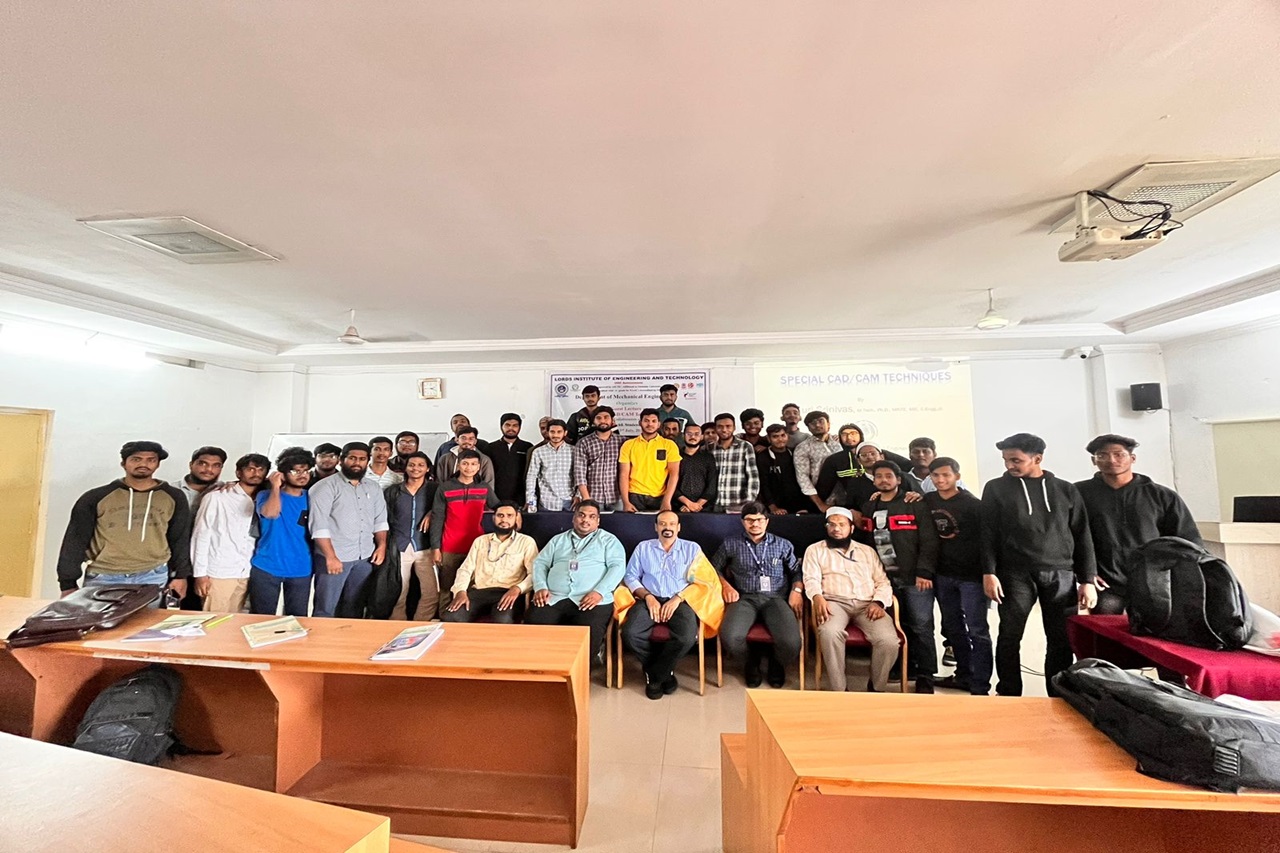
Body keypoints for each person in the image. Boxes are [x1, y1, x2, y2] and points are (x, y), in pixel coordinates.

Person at [981, 433, 1097, 697]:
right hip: (1014, 574)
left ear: (1038, 458)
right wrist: (989, 572)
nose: (1009, 465)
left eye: (1016, 460)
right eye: (1005, 460)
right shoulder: (995, 488)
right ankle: (1008, 693)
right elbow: (987, 533)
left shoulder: (1066, 489)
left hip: (1061, 574)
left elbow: (1082, 534)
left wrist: (1087, 579)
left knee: (1060, 639)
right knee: (1010, 635)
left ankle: (1058, 694)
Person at [1075, 434, 1201, 615]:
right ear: (1094, 461)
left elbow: (1185, 539)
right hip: (1106, 583)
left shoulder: (1161, 495)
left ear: (1132, 458)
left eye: (1119, 454)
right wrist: (1086, 575)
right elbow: (1069, 537)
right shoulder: (1079, 494)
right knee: (1106, 630)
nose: (1111, 460)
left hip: (1153, 582)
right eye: (1102, 455)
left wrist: (1180, 576)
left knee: (1153, 629)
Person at [57, 441, 192, 602]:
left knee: (148, 620)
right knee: (100, 619)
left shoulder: (174, 497)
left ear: (157, 464)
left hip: (153, 575)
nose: (143, 464)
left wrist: (180, 575)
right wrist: (68, 583)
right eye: (136, 459)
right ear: (123, 463)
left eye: (151, 460)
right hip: (104, 576)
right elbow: (75, 540)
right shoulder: (96, 497)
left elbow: (180, 538)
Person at [863, 460, 940, 693]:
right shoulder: (870, 506)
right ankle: (902, 667)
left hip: (915, 578)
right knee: (896, 626)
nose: (884, 480)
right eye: (879, 476)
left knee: (921, 626)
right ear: (873, 480)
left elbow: (929, 540)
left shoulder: (914, 503)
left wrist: (924, 572)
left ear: (898, 479)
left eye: (889, 476)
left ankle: (926, 674)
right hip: (885, 581)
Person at [803, 507, 899, 692]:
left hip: (868, 604)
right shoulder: (815, 550)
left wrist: (879, 602)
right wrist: (817, 597)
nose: (836, 529)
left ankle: (877, 687)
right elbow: (811, 579)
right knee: (829, 633)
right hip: (833, 602)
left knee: (888, 641)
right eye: (832, 524)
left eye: (842, 524)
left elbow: (883, 582)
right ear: (826, 527)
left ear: (851, 528)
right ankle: (840, 690)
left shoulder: (867, 551)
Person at [713, 503, 804, 687]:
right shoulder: (731, 543)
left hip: (776, 598)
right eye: (750, 520)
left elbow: (797, 571)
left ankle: (776, 663)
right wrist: (725, 586)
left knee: (792, 643)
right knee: (730, 637)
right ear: (742, 522)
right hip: (744, 598)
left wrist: (797, 591)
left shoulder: (782, 544)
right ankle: (751, 662)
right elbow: (713, 567)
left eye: (759, 520)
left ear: (767, 521)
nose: (755, 524)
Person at [622, 511, 710, 699]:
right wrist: (647, 596)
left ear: (679, 527)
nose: (667, 527)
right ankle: (665, 673)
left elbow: (702, 580)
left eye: (671, 524)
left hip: (681, 600)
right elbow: (630, 576)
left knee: (687, 637)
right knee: (630, 633)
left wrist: (678, 598)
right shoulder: (643, 547)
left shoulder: (692, 549)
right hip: (648, 599)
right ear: (656, 527)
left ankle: (655, 673)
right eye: (662, 523)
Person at [528, 501, 626, 661]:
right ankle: (543, 668)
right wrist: (540, 586)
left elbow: (618, 567)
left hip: (592, 600)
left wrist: (599, 592)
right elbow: (540, 563)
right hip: (553, 597)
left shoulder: (609, 540)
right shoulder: (558, 540)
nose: (585, 520)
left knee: (588, 633)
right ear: (574, 518)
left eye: (591, 517)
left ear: (598, 521)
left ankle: (578, 672)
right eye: (581, 515)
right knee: (535, 625)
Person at [924, 457, 991, 695]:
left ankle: (981, 684)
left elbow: (987, 541)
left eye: (946, 475)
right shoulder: (927, 500)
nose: (940, 480)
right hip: (943, 575)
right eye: (935, 475)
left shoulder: (973, 505)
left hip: (971, 576)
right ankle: (964, 675)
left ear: (957, 477)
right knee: (953, 628)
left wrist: (988, 573)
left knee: (977, 630)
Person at [308, 441, 388, 618]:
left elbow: (380, 521)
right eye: (352, 458)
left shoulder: (373, 487)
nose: (357, 463)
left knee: (355, 607)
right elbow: (319, 526)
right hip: (335, 557)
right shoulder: (324, 487)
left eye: (362, 459)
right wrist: (330, 557)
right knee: (326, 608)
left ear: (367, 461)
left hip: (364, 557)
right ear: (341, 460)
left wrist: (382, 546)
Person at [192, 453, 269, 613]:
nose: (256, 473)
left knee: (237, 623)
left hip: (248, 570)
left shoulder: (265, 499)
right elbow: (201, 536)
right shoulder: (217, 497)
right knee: (214, 622)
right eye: (250, 469)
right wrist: (200, 574)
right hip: (219, 571)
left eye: (261, 469)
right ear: (238, 472)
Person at [429, 449, 500, 612]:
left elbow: (499, 507)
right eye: (465, 463)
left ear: (479, 466)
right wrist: (435, 548)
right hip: (450, 546)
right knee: (447, 586)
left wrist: (515, 512)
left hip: (476, 546)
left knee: (471, 586)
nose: (469, 468)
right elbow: (437, 518)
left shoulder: (484, 487)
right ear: (458, 465)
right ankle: (444, 616)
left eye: (474, 464)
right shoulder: (445, 487)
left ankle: (464, 617)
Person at [443, 502, 539, 623]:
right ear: (493, 518)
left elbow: (534, 573)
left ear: (516, 518)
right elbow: (465, 569)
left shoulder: (526, 542)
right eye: (500, 515)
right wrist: (460, 591)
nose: (504, 520)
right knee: (451, 617)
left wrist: (517, 589)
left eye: (509, 516)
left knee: (502, 620)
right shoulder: (480, 541)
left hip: (508, 592)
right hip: (479, 591)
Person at [249, 447, 315, 617]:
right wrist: (275, 487)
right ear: (282, 475)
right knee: (261, 617)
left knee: (298, 618)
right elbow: (271, 513)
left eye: (305, 470)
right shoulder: (265, 495)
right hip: (267, 565)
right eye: (295, 471)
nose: (302, 475)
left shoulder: (312, 497)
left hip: (301, 566)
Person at [384, 451, 439, 620]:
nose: (416, 468)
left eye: (421, 465)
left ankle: (419, 626)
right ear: (405, 468)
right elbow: (383, 518)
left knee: (431, 593)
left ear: (427, 468)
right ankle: (397, 626)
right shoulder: (393, 491)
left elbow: (444, 509)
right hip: (399, 547)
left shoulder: (435, 490)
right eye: (412, 465)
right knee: (399, 593)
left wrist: (432, 512)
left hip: (425, 547)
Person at [619, 408, 681, 513]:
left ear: (659, 424)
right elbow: (623, 474)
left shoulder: (669, 445)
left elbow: (674, 474)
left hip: (660, 496)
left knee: (659, 523)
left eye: (653, 421)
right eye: (646, 421)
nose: (650, 424)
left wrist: (667, 500)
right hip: (634, 495)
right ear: (640, 423)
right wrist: (626, 502)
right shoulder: (628, 445)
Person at [573, 406, 624, 510]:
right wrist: (586, 498)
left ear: (612, 421)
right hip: (593, 497)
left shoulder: (623, 442)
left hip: (618, 498)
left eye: (606, 417)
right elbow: (579, 473)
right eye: (599, 418)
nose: (603, 421)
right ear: (593, 421)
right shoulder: (583, 443)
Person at [710, 413, 761, 513]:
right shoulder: (710, 448)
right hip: (715, 503)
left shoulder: (745, 446)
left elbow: (753, 477)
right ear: (715, 428)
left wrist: (748, 503)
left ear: (734, 428)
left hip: (738, 503)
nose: (724, 430)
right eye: (720, 427)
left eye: (728, 426)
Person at [794, 410, 841, 512]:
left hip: (845, 498)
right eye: (813, 423)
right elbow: (803, 478)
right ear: (808, 428)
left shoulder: (840, 442)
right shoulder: (803, 447)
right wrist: (820, 504)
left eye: (821, 421)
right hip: (822, 498)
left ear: (828, 424)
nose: (817, 425)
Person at [757, 424, 809, 514]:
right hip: (776, 507)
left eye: (783, 435)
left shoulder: (795, 453)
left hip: (799, 504)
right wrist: (773, 507)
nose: (780, 439)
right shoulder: (763, 457)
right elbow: (764, 485)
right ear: (768, 439)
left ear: (787, 436)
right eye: (775, 436)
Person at [525, 419, 575, 511]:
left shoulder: (574, 451)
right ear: (548, 432)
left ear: (565, 433)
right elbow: (531, 477)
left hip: (569, 501)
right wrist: (530, 500)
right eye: (552, 432)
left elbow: (579, 475)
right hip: (547, 502)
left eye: (559, 432)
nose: (555, 435)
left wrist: (579, 495)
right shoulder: (538, 452)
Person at [489, 413, 534, 504]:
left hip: (521, 497)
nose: (511, 428)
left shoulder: (527, 447)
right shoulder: (491, 447)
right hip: (496, 497)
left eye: (515, 425)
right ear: (501, 426)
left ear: (519, 427)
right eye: (507, 425)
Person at [673, 422, 718, 513]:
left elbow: (712, 485)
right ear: (683, 436)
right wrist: (688, 504)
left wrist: (697, 505)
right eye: (689, 434)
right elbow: (670, 483)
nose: (692, 437)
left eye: (696, 434)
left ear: (701, 436)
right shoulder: (675, 456)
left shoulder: (708, 457)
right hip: (679, 507)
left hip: (704, 508)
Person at [178, 446, 227, 511]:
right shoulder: (171, 490)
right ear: (191, 465)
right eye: (203, 464)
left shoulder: (224, 489)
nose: (209, 469)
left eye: (216, 465)